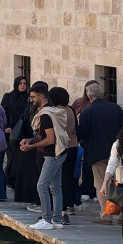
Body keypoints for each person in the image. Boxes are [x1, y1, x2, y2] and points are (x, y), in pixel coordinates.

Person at [19, 83, 69, 230]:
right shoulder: (53, 111)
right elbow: (43, 136)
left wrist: (30, 147)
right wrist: (30, 140)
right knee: (56, 187)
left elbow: (50, 139)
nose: (32, 100)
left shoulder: (46, 115)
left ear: (41, 96)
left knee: (42, 185)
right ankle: (57, 220)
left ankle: (46, 220)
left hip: (52, 154)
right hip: (60, 152)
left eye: (33, 97)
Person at [77, 82, 123, 222]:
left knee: (101, 183)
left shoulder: (87, 112)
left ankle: (106, 215)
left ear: (89, 95)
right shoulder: (115, 108)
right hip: (118, 152)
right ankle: (122, 215)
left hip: (97, 153)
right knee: (119, 182)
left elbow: (82, 134)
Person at [49, 86, 80, 223]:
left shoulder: (57, 112)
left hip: (62, 147)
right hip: (73, 146)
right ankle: (68, 207)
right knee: (68, 178)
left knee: (58, 180)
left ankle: (61, 211)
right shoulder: (70, 110)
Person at [1, 76, 30, 188]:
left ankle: (19, 180)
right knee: (12, 157)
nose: (22, 85)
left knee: (22, 158)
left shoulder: (28, 98)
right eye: (20, 83)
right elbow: (3, 113)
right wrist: (6, 126)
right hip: (12, 132)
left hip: (24, 132)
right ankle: (10, 180)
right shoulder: (9, 97)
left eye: (24, 83)